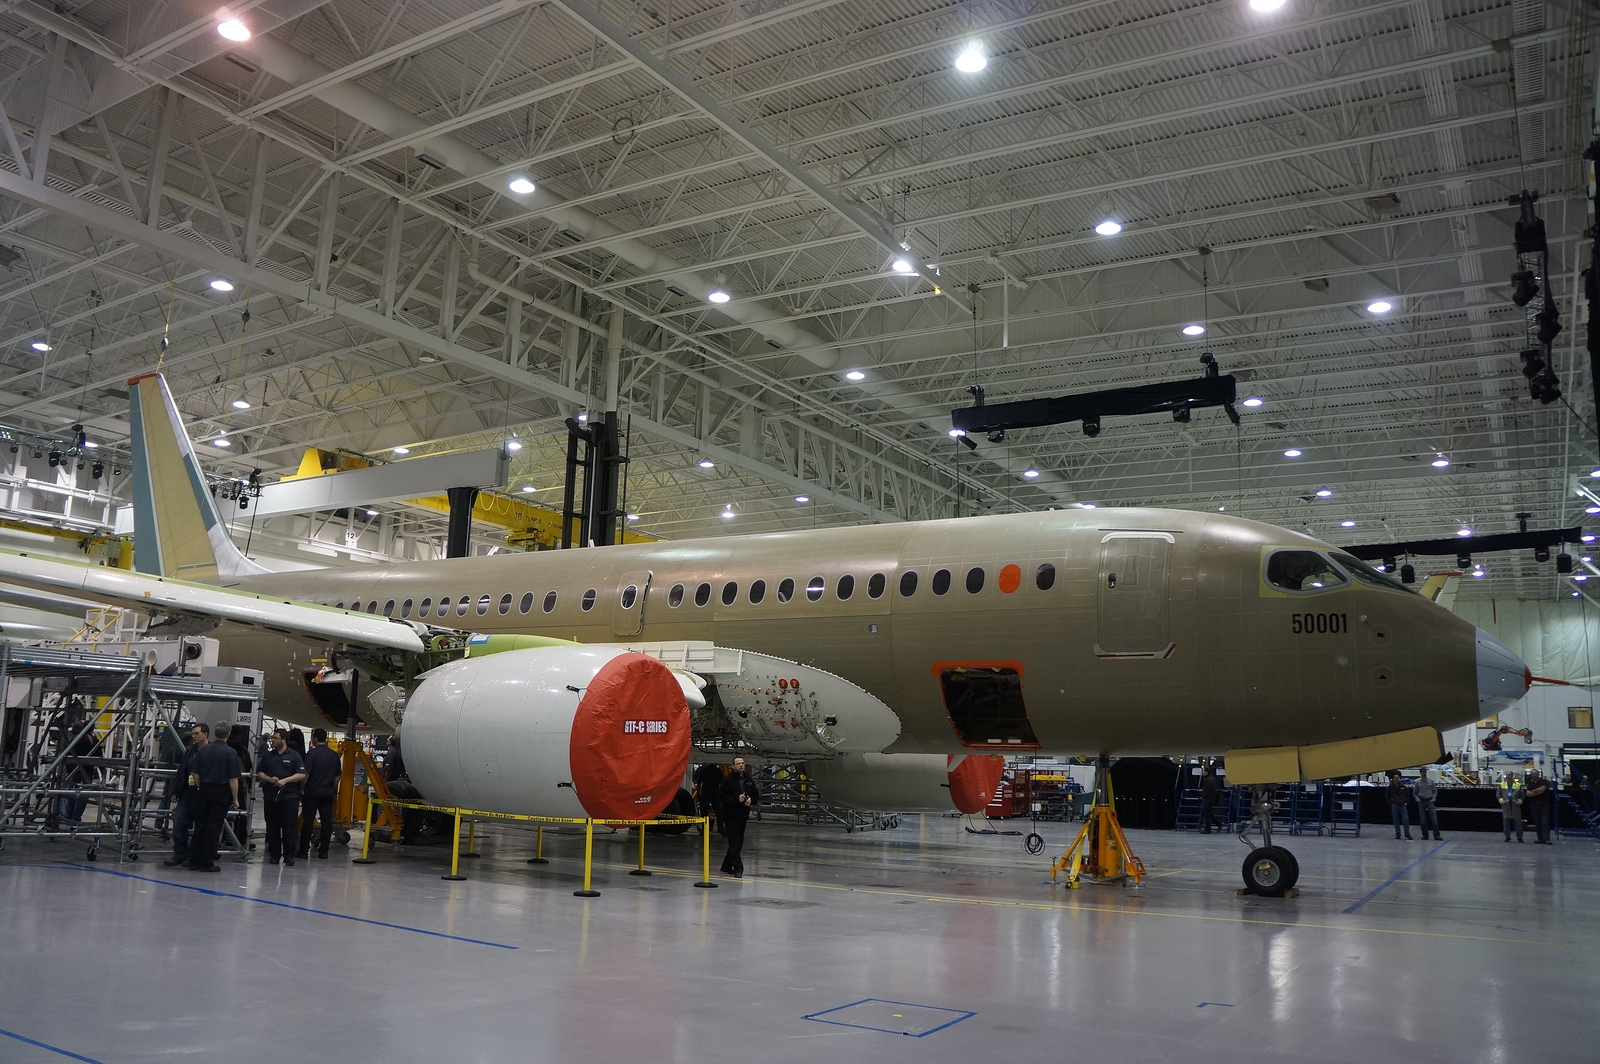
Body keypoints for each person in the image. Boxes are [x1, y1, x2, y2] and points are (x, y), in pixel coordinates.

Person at [187, 723, 240, 873]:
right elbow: (233, 779)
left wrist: (200, 787)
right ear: (228, 734)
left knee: (200, 826)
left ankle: (194, 860)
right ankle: (207, 861)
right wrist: (235, 798)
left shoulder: (203, 750)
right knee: (214, 827)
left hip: (203, 789)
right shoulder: (230, 752)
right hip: (220, 792)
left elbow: (195, 773)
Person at [257, 729, 306, 865]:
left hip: (289, 796)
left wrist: (286, 780)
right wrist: (268, 778)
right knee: (272, 826)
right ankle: (274, 854)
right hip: (271, 796)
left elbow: (301, 774)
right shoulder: (269, 756)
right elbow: (260, 772)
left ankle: (289, 855)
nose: (272, 740)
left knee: (289, 826)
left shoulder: (294, 756)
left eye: (275, 738)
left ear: (283, 739)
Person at [163, 724, 203, 867]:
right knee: (179, 823)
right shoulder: (190, 751)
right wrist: (175, 792)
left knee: (201, 827)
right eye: (192, 734)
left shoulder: (210, 751)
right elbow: (182, 771)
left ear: (205, 734)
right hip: (187, 793)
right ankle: (180, 852)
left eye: (196, 733)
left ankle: (195, 855)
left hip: (202, 794)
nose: (194, 736)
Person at [297, 728, 340, 860]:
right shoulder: (334, 755)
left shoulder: (312, 754)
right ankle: (324, 851)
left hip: (312, 792)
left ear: (315, 738)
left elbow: (306, 774)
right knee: (327, 822)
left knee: (308, 821)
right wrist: (332, 789)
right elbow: (338, 776)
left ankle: (304, 851)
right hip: (327, 793)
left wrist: (302, 788)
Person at [718, 757, 760, 878]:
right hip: (730, 815)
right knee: (734, 842)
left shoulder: (748, 780)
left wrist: (751, 800)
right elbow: (722, 798)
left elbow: (755, 795)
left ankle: (726, 865)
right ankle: (738, 868)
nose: (741, 765)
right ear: (733, 766)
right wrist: (736, 799)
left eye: (742, 763)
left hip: (742, 815)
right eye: (738, 764)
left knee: (738, 842)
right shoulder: (727, 781)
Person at [1523, 768, 1553, 845]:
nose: (1534, 775)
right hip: (1534, 804)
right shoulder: (1530, 783)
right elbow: (1528, 794)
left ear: (1538, 774)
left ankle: (1546, 838)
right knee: (1537, 822)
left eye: (1535, 773)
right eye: (1533, 774)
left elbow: (1542, 790)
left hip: (1544, 804)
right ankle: (1540, 838)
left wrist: (1533, 791)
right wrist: (1537, 791)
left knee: (1544, 821)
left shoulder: (1544, 782)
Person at [693, 761, 724, 835]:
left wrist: (698, 795)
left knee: (704, 813)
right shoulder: (718, 771)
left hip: (705, 794)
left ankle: (704, 830)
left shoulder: (704, 771)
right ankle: (720, 828)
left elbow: (699, 783)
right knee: (719, 813)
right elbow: (722, 784)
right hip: (715, 794)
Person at [1413, 767, 1442, 841]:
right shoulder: (1417, 782)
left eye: (1425, 772)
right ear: (1420, 773)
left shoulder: (1431, 781)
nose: (1424, 773)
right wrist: (1418, 799)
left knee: (1434, 819)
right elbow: (1415, 793)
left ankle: (1437, 835)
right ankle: (1425, 835)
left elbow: (1435, 791)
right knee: (1423, 820)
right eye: (1422, 772)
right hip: (1421, 801)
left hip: (1430, 801)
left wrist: (1433, 798)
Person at [1385, 770, 1413, 839]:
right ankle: (1398, 834)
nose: (1397, 779)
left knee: (1405, 819)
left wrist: (1405, 801)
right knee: (1396, 820)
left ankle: (1407, 833)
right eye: (1396, 778)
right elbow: (1387, 796)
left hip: (1402, 805)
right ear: (1393, 779)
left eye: (1398, 778)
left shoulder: (1403, 786)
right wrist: (1391, 803)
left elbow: (1407, 795)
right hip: (1395, 805)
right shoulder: (1390, 787)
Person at [1199, 764, 1223, 834]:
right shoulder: (1212, 778)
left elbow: (1206, 790)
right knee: (1208, 813)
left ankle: (1208, 829)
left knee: (1206, 814)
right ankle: (1218, 823)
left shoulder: (1208, 780)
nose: (1203, 773)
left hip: (1208, 799)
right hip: (1211, 799)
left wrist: (1202, 796)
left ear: (1207, 772)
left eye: (1204, 771)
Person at [1501, 775, 1524, 843]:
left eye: (1509, 775)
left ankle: (1519, 837)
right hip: (1506, 805)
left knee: (1518, 822)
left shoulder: (1518, 785)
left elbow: (1522, 795)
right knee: (1506, 822)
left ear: (1512, 776)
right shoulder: (1502, 784)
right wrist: (1502, 801)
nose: (1507, 777)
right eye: (1506, 775)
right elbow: (1498, 794)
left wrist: (1519, 802)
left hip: (1515, 805)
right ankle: (1507, 837)